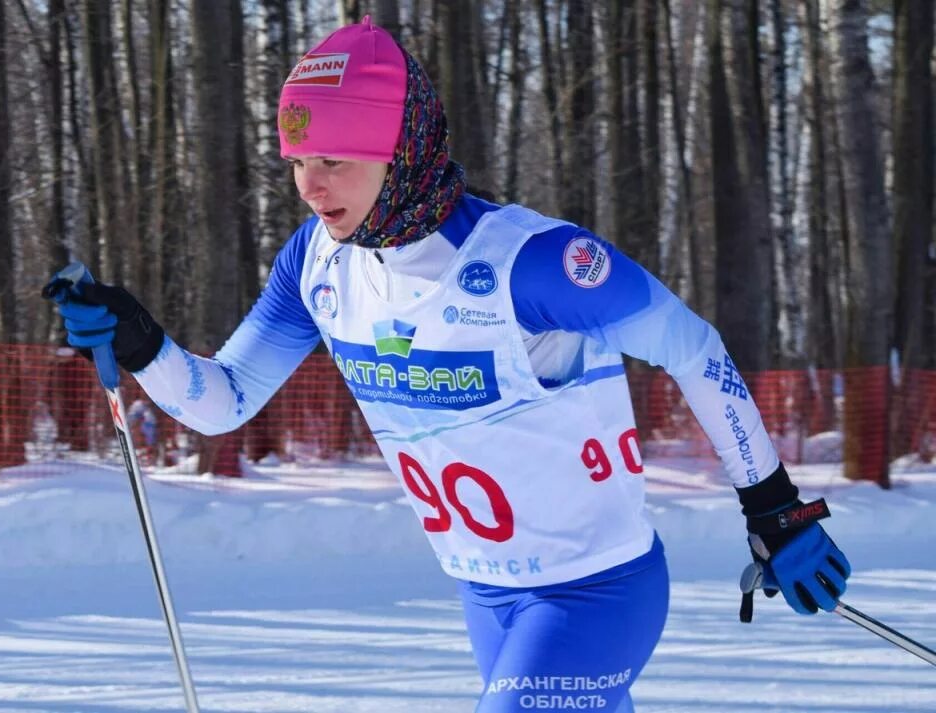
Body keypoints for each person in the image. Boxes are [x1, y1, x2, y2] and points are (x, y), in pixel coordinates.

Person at [45, 17, 850, 712]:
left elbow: (690, 344)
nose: (311, 186)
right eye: (297, 161)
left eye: (336, 159)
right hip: (486, 594)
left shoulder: (530, 262)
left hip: (596, 589)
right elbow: (224, 401)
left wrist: (774, 505)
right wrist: (142, 339)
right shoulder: (319, 264)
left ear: (399, 151)